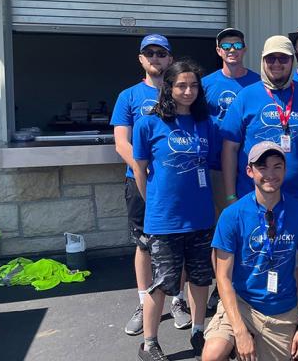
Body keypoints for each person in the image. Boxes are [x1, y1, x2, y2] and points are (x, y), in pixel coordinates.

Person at [131, 60, 220, 360]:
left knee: (200, 279)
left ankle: (198, 331)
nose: (188, 91)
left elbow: (212, 166)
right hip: (164, 220)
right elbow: (140, 170)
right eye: (181, 85)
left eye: (193, 85)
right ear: (169, 88)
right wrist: (154, 204)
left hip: (201, 218)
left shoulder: (206, 123)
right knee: (162, 283)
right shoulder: (148, 124)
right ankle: (149, 343)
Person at [202, 141, 298, 361]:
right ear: (249, 171)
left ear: (285, 169)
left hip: (282, 310)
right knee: (212, 354)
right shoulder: (232, 215)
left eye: (277, 166)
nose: (270, 174)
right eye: (262, 167)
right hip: (241, 304)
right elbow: (223, 277)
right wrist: (239, 331)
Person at [111, 34, 192, 337]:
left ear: (170, 58)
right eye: (150, 53)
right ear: (141, 59)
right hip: (141, 182)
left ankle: (178, 300)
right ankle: (144, 302)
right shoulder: (128, 96)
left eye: (161, 53)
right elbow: (121, 142)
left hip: (178, 183)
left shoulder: (182, 93)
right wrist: (142, 169)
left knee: (180, 240)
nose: (155, 58)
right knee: (144, 243)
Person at [220, 35, 298, 205]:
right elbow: (230, 148)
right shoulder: (245, 96)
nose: (276, 64)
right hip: (252, 198)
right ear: (263, 61)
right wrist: (230, 196)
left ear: (292, 61)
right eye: (271, 58)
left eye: (283, 58)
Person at [202, 27, 262, 308]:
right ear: (218, 51)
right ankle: (221, 286)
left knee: (252, 229)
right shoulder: (206, 84)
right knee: (223, 230)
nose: (232, 50)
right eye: (226, 46)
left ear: (244, 49)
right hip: (216, 167)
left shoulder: (257, 82)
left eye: (237, 45)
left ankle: (249, 283)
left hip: (253, 170)